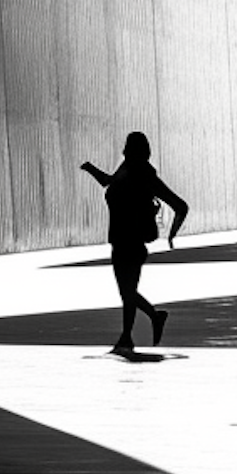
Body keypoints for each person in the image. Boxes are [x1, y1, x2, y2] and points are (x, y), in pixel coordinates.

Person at [81, 132, 188, 357]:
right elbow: (108, 182)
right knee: (127, 291)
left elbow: (180, 205)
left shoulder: (143, 174)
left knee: (127, 291)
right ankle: (147, 322)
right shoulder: (127, 169)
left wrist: (171, 235)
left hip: (130, 240)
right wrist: (90, 169)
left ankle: (129, 335)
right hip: (121, 239)